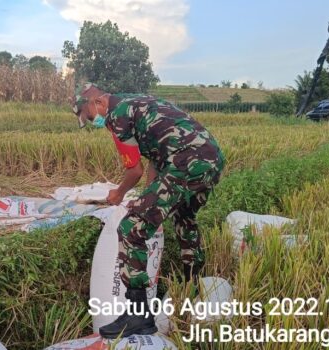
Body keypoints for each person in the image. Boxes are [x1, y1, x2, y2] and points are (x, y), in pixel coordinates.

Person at [73, 83, 225, 338]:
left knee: (131, 228)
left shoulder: (117, 116)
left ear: (97, 103)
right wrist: (148, 198)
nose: (93, 122)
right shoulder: (138, 102)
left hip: (186, 162)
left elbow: (134, 170)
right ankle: (193, 287)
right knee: (185, 220)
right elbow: (156, 158)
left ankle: (138, 315)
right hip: (210, 160)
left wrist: (118, 193)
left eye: (89, 117)